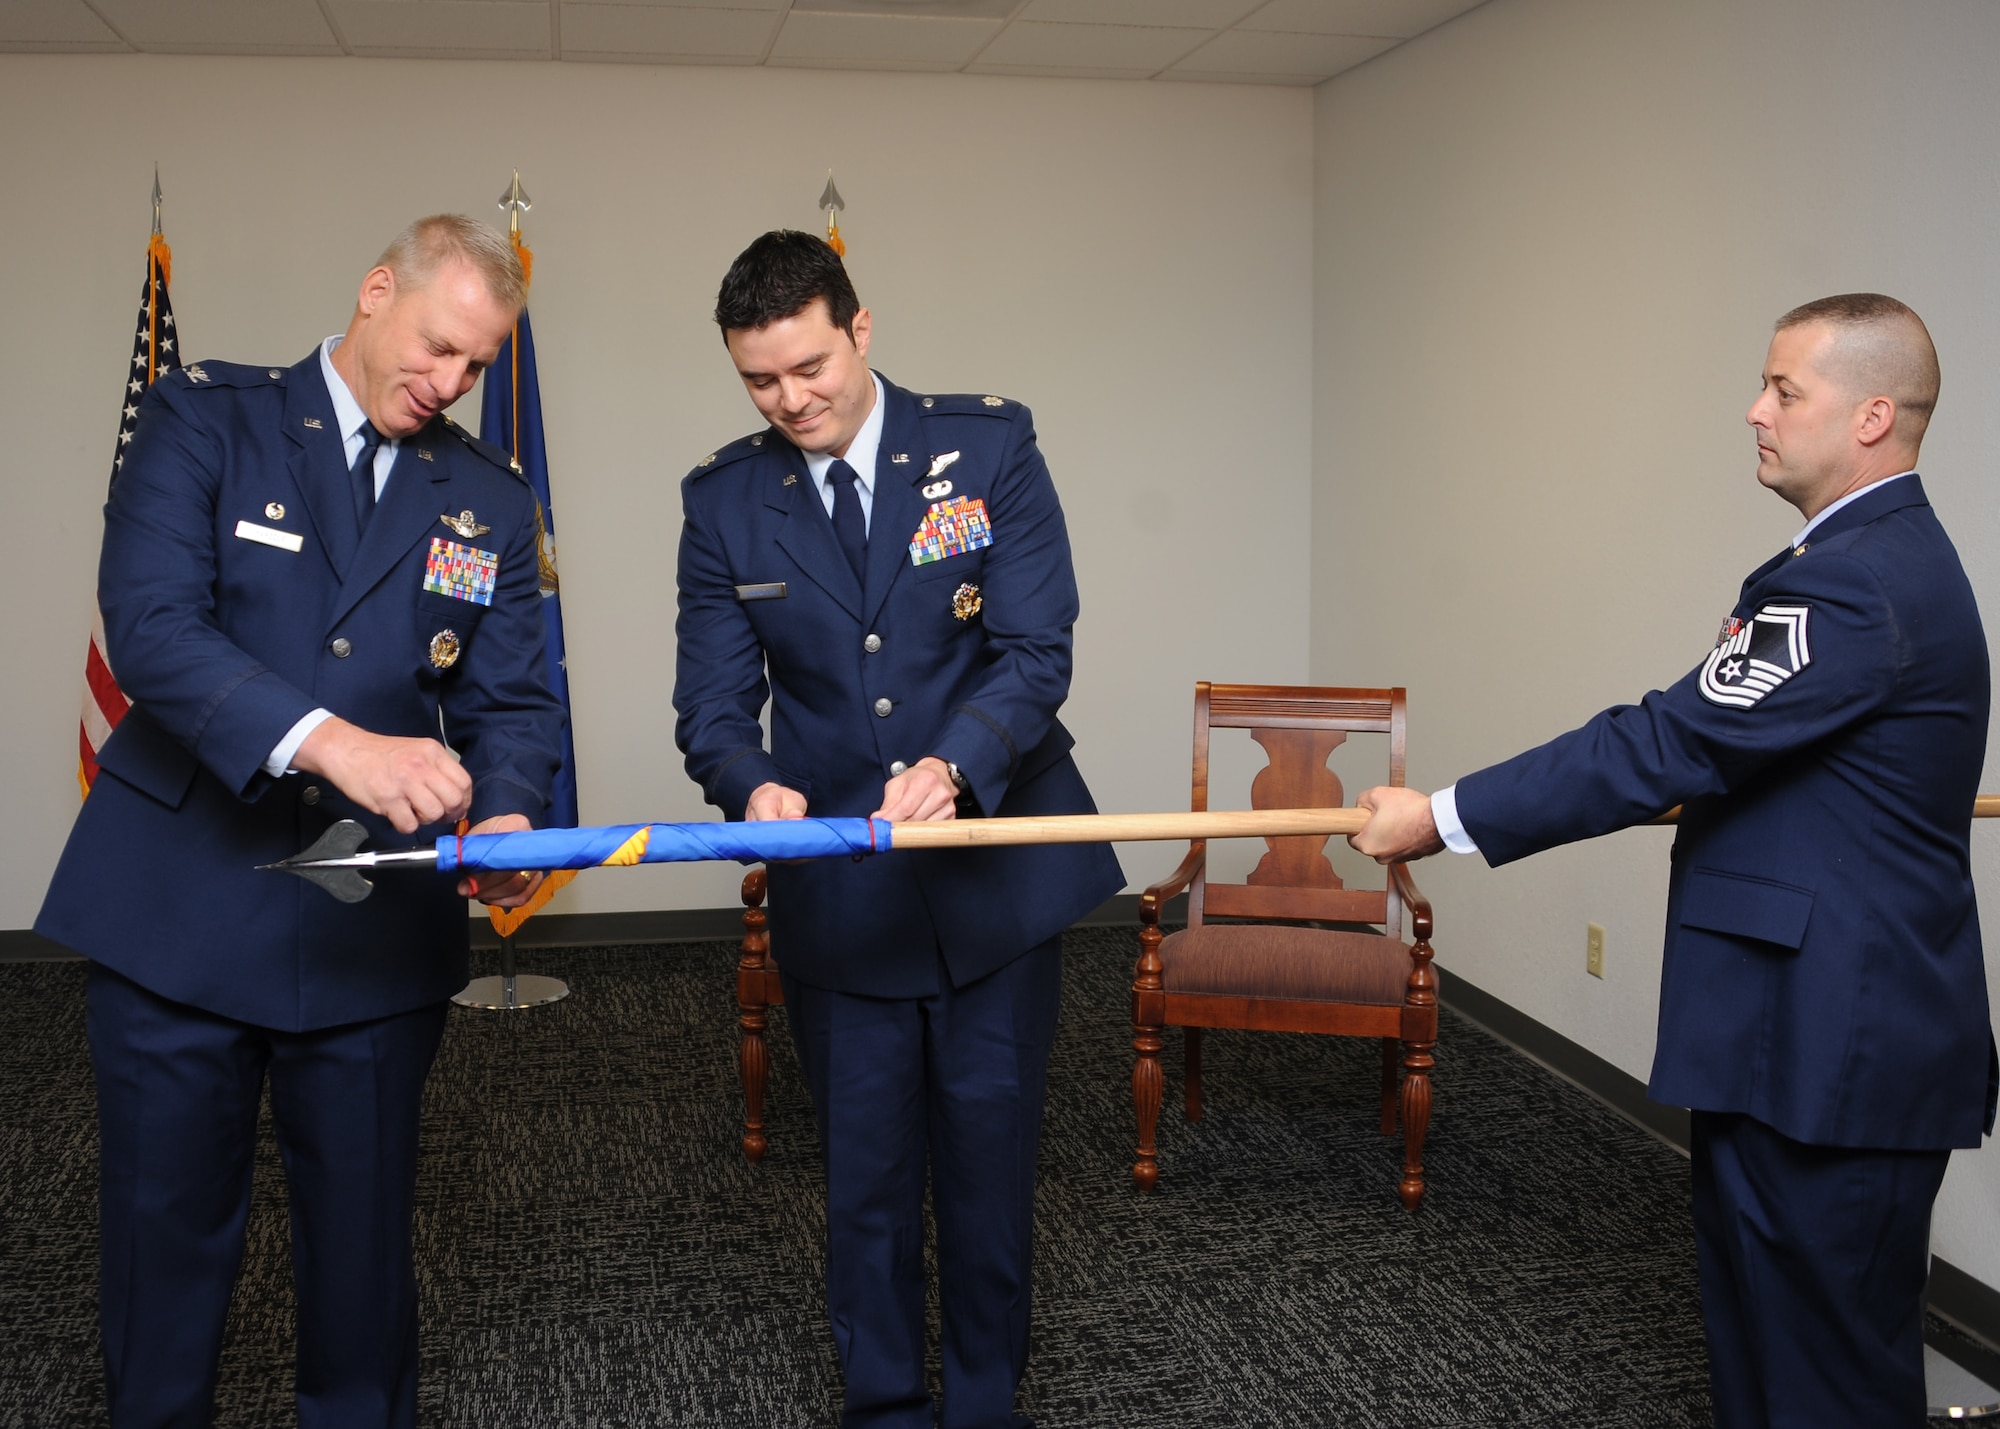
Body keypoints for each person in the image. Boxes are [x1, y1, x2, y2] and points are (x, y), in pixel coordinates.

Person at [1349, 293, 1995, 1428]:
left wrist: (1438, 816)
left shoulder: (1855, 580)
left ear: (1870, 416)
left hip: (1833, 1050)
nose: (1753, 411)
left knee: (1823, 1377)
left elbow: (1668, 740)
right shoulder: (1864, 560)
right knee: (1763, 1349)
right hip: (1796, 1037)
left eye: (1784, 390)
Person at [37, 215, 565, 1428]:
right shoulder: (204, 418)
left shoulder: (482, 495)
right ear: (376, 292)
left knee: (363, 1252)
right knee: (162, 1241)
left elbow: (514, 697)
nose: (448, 385)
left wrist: (514, 807)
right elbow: (155, 628)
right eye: (436, 346)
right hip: (181, 896)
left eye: (477, 368)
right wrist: (338, 744)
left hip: (372, 924)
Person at [673, 230, 1122, 1429]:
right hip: (841, 884)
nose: (790, 399)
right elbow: (712, 704)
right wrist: (748, 785)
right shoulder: (722, 499)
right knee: (863, 1178)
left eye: (809, 367)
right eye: (759, 380)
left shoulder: (987, 445)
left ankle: (984, 1405)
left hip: (994, 877)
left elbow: (1035, 652)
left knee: (988, 1166)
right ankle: (881, 1405)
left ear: (859, 329)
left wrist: (956, 762)